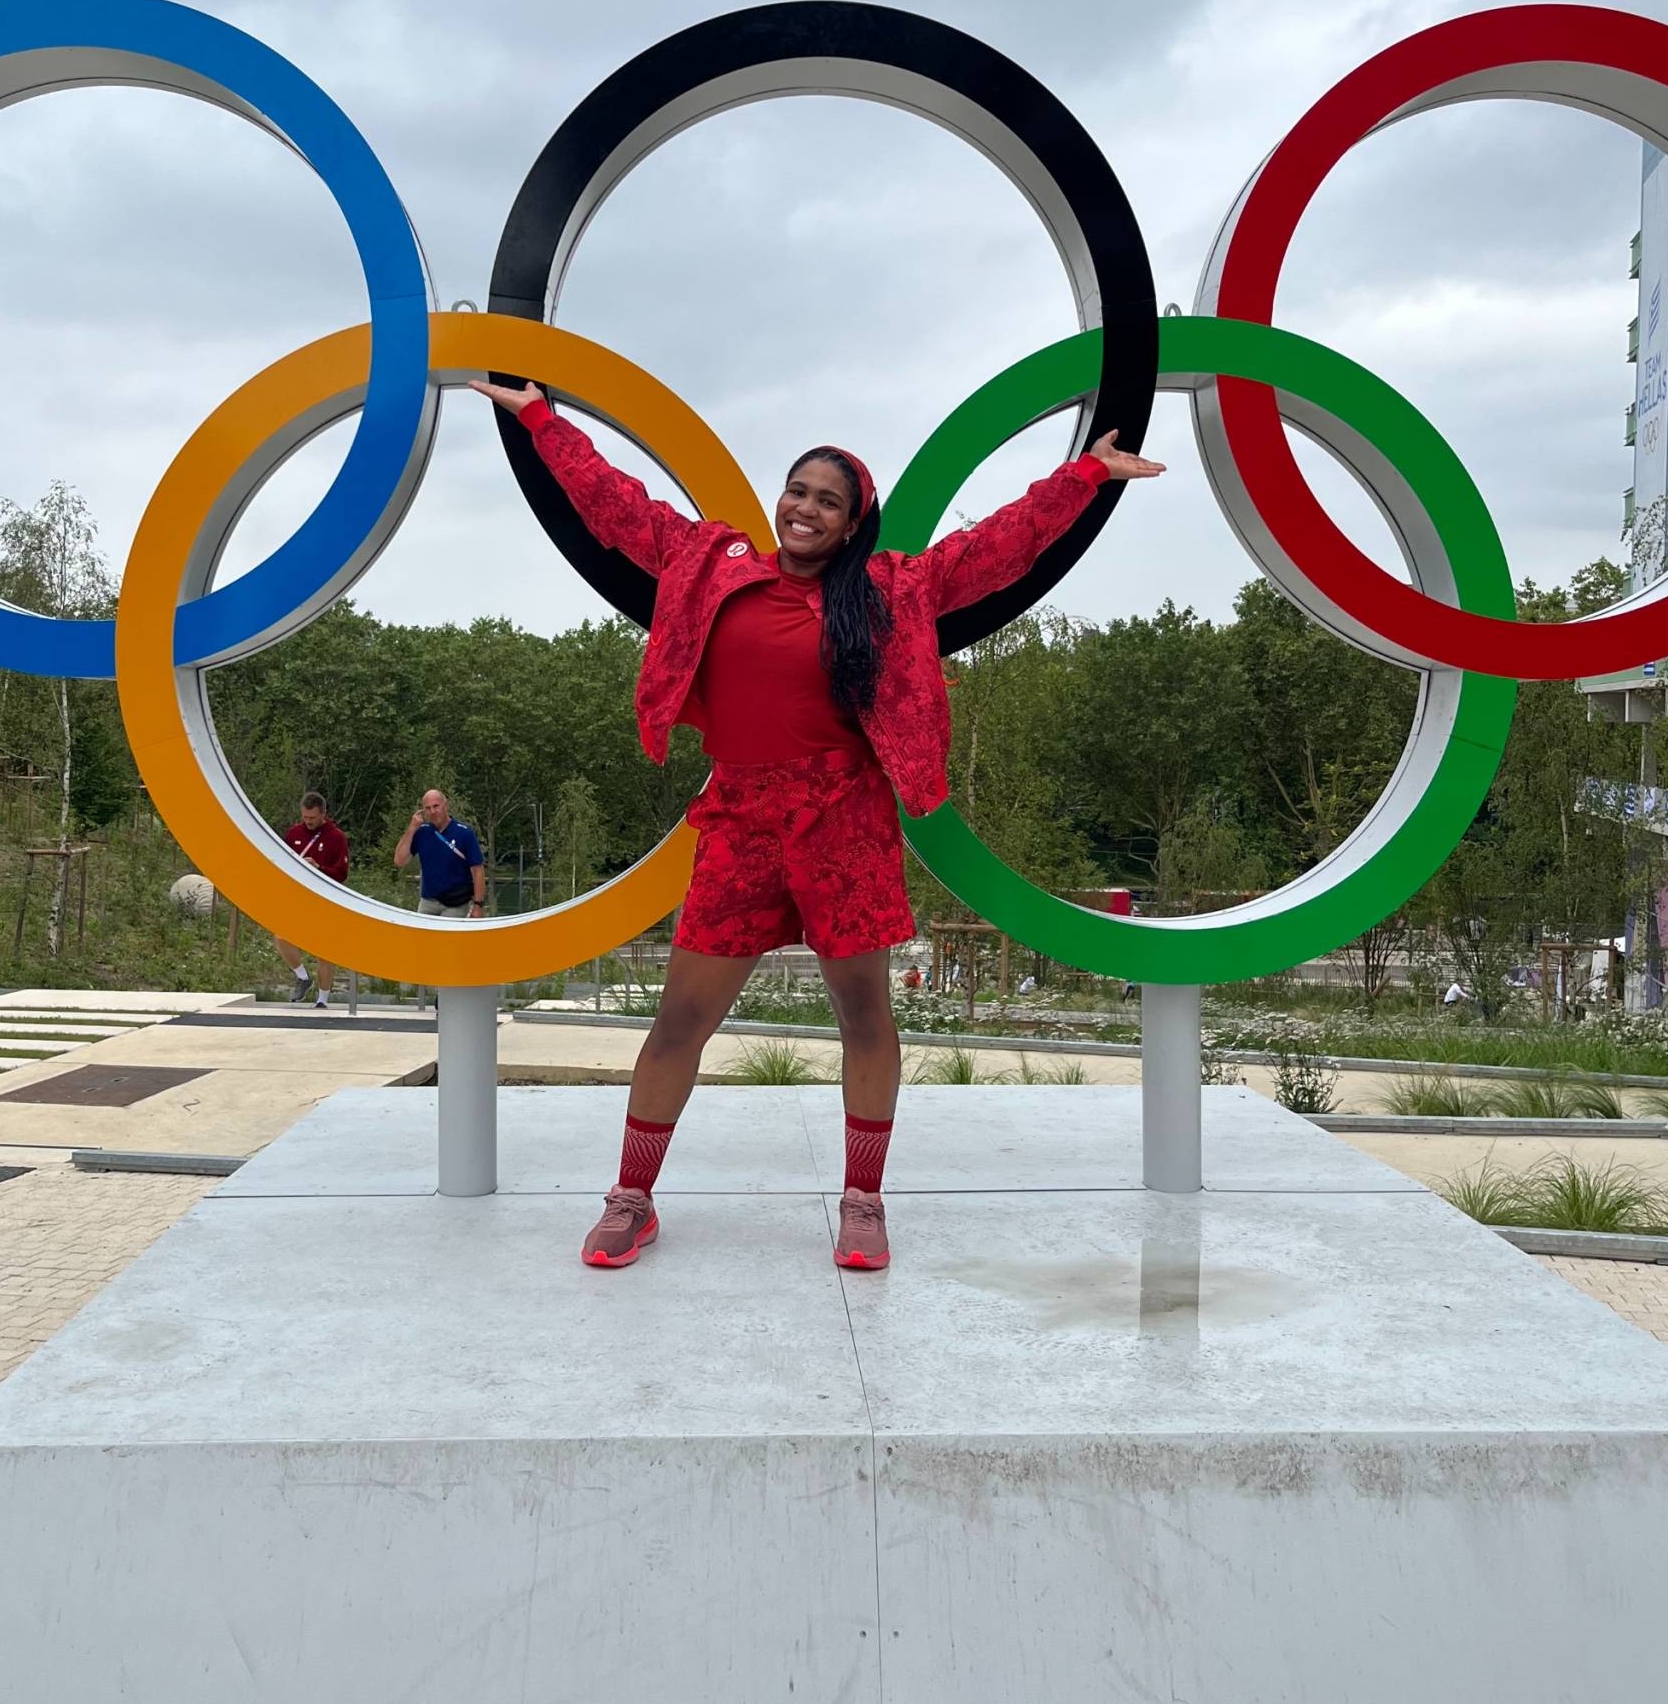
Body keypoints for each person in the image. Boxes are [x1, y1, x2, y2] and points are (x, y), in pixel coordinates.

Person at [470, 377, 1162, 1273]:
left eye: (826, 501)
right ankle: (631, 1197)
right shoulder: (712, 563)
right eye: (798, 490)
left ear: (851, 522)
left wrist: (1084, 477)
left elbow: (997, 548)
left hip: (846, 820)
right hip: (742, 818)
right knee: (680, 1016)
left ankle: (864, 1201)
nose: (804, 509)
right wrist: (539, 419)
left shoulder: (887, 592)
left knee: (865, 1011)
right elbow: (614, 505)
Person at [275, 791, 350, 1006]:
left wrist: (319, 868)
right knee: (281, 936)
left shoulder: (336, 837)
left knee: (323, 950)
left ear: (323, 814)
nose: (308, 822)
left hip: (326, 899)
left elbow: (341, 873)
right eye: (305, 817)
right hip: (298, 897)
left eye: (313, 818)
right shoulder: (294, 833)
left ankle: (323, 999)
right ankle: (302, 977)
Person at [394, 789, 488, 920]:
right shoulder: (421, 832)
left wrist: (478, 905)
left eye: (436, 806)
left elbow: (478, 871)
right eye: (428, 808)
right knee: (422, 938)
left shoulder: (465, 833)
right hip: (428, 901)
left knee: (448, 939)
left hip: (455, 903)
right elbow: (399, 861)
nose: (432, 811)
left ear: (446, 805)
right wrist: (412, 828)